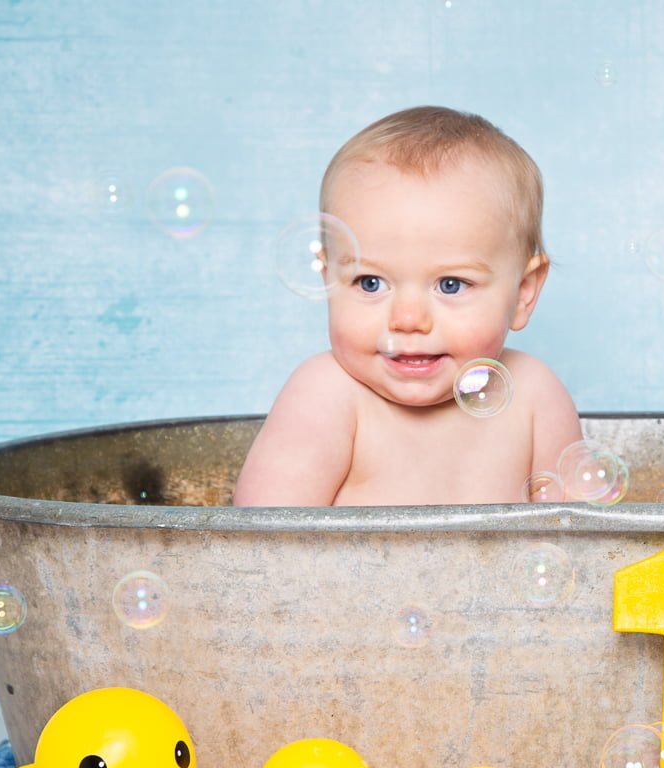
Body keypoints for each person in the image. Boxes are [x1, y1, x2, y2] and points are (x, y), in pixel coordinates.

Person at [234, 106, 582, 506]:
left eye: (451, 285)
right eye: (370, 282)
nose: (408, 320)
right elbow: (261, 546)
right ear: (329, 279)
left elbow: (579, 542)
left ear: (523, 291)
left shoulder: (534, 395)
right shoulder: (326, 394)